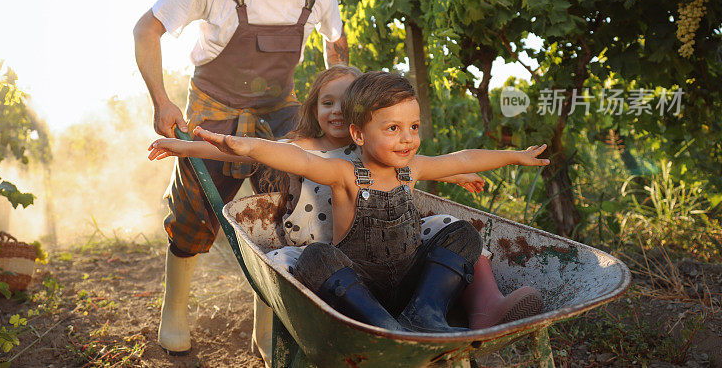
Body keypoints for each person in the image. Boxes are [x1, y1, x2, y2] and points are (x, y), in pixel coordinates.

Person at [149, 71, 549, 333]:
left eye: (412, 128)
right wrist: (221, 144)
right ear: (362, 132)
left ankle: (425, 313)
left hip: (408, 271)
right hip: (360, 277)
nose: (407, 138)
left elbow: (460, 157)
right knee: (315, 257)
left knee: (463, 233)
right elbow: (280, 156)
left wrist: (515, 156)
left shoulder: (407, 166)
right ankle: (382, 325)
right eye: (394, 128)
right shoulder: (340, 170)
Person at [132, 0, 349, 354]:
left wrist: (343, 97)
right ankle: (174, 309)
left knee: (293, 206)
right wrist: (162, 102)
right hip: (214, 103)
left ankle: (268, 320)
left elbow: (335, 41)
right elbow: (146, 30)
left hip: (281, 107)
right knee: (195, 207)